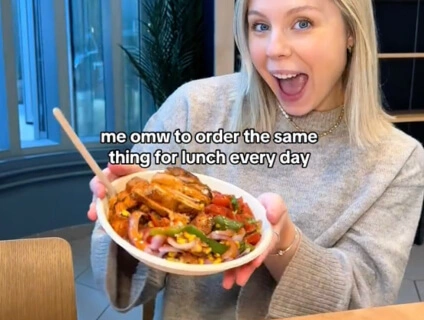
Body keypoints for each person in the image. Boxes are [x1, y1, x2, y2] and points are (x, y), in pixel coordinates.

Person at [88, 0, 424, 319]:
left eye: (302, 23)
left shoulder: (398, 161)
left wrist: (284, 246)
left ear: (351, 31)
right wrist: (130, 215)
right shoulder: (194, 108)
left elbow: (365, 303)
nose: (274, 49)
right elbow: (124, 284)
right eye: (259, 25)